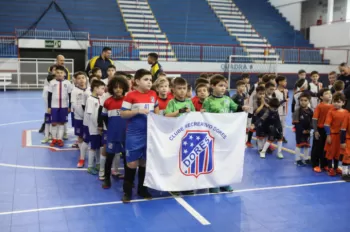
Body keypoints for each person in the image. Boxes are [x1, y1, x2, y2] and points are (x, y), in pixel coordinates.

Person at [202, 74, 247, 193]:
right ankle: (213, 183)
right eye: (220, 86)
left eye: (224, 86)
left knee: (226, 159)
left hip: (226, 135)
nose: (223, 88)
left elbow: (236, 108)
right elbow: (205, 118)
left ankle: (225, 182)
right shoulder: (208, 100)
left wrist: (244, 108)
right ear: (212, 86)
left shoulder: (227, 99)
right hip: (213, 135)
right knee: (214, 159)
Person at [120, 69, 159, 203]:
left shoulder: (154, 94)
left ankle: (142, 189)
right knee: (132, 163)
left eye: (150, 80)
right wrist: (138, 111)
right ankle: (127, 191)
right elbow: (122, 114)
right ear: (137, 81)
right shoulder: (130, 96)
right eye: (146, 79)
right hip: (134, 135)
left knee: (144, 163)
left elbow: (157, 113)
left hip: (149, 134)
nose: (149, 82)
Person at [101, 77, 129, 188]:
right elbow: (104, 117)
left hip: (126, 135)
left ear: (124, 88)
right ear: (111, 88)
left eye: (120, 87)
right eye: (115, 87)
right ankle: (107, 179)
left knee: (127, 159)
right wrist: (111, 129)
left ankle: (128, 180)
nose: (118, 89)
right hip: (112, 135)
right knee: (109, 157)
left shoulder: (128, 101)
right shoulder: (107, 102)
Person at [47, 65, 73, 147]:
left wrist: (69, 106)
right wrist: (49, 107)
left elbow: (70, 95)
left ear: (64, 74)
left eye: (61, 73)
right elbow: (49, 95)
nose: (59, 74)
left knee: (62, 123)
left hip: (64, 106)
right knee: (54, 123)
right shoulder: (52, 82)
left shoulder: (68, 83)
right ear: (55, 73)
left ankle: (60, 139)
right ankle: (54, 138)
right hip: (54, 106)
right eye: (57, 72)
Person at [324, 93, 348, 176]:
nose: (336, 103)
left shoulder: (346, 112)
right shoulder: (331, 112)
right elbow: (327, 124)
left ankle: (336, 167)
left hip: (341, 137)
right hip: (333, 135)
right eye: (334, 101)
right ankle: (330, 168)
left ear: (343, 103)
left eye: (338, 102)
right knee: (331, 152)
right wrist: (328, 135)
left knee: (338, 153)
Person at [86, 80, 106, 175]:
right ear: (95, 88)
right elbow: (91, 115)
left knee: (99, 147)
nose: (103, 90)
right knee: (93, 147)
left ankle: (98, 164)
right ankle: (90, 166)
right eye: (102, 88)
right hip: (94, 129)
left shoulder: (99, 99)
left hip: (99, 128)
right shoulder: (90, 100)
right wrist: (98, 126)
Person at [311, 88, 333, 172]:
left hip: (328, 130)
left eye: (330, 93)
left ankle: (325, 164)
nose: (329, 94)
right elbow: (314, 119)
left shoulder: (332, 106)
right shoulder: (319, 106)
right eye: (326, 93)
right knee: (317, 147)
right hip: (320, 130)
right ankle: (315, 164)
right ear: (321, 97)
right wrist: (315, 130)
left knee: (326, 147)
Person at [71, 72, 88, 163]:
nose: (81, 80)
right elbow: (74, 104)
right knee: (80, 137)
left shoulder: (89, 90)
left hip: (89, 119)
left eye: (83, 78)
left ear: (86, 79)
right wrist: (82, 115)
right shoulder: (74, 91)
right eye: (79, 78)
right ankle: (82, 157)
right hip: (79, 118)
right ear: (76, 80)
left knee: (89, 137)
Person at [292, 93, 313, 166]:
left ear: (309, 101)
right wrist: (302, 130)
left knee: (307, 145)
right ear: (299, 101)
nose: (303, 102)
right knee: (299, 145)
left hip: (308, 131)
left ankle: (306, 158)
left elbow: (312, 121)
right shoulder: (297, 111)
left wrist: (310, 129)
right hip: (299, 131)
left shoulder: (310, 111)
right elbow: (296, 123)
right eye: (301, 100)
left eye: (305, 100)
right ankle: (297, 159)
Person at [41, 65, 56, 143]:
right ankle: (47, 136)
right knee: (47, 122)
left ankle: (54, 137)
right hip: (49, 109)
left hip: (56, 108)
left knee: (55, 123)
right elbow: (45, 98)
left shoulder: (58, 87)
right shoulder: (46, 89)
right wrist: (49, 107)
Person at [275, 75, 288, 143]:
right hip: (277, 111)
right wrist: (283, 101)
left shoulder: (286, 91)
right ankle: (275, 135)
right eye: (284, 81)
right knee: (276, 124)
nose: (286, 82)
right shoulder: (275, 92)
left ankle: (282, 136)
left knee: (283, 124)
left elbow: (287, 99)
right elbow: (275, 102)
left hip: (284, 111)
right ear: (279, 82)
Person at [340, 111, 350, 181]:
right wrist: (342, 141)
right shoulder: (348, 116)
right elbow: (343, 129)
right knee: (346, 157)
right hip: (348, 140)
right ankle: (344, 173)